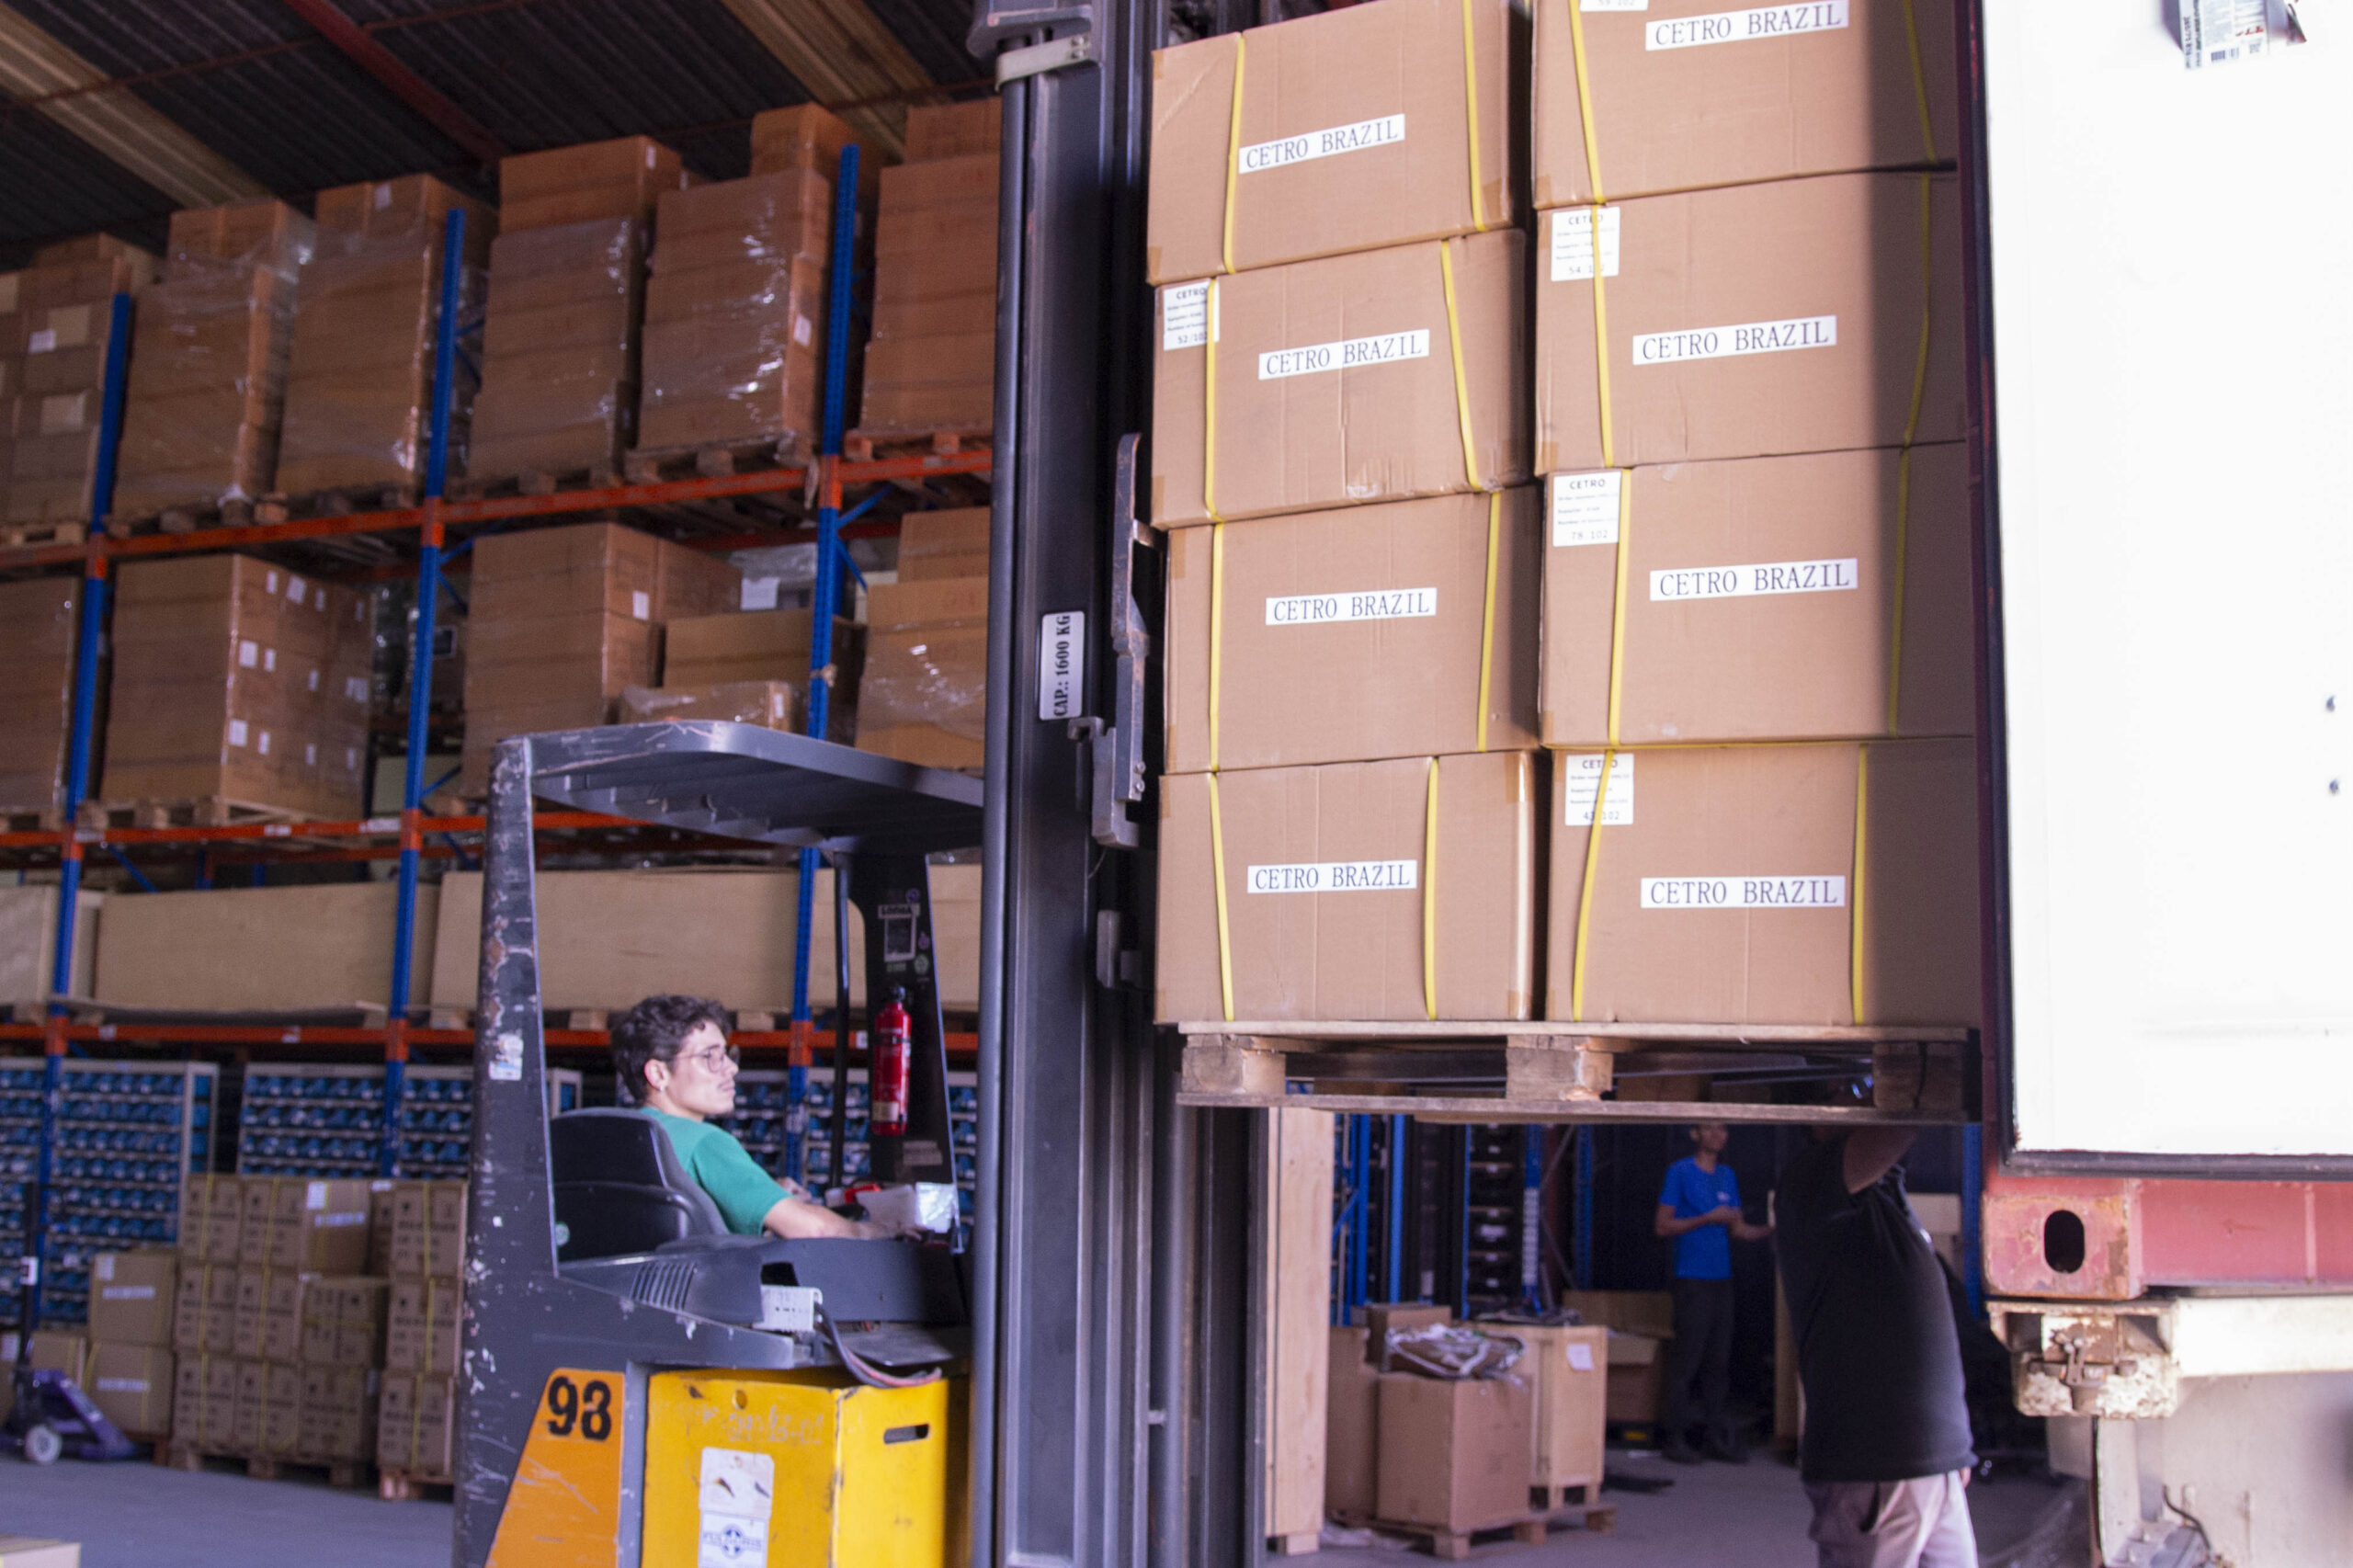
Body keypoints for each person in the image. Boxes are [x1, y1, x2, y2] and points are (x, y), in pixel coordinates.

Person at [1776, 1126, 1977, 1568]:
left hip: (1934, 1464)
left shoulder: (1885, 1197)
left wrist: (1954, 1448)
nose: (1863, 1107)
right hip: (1875, 1466)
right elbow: (1892, 1134)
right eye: (1847, 1094)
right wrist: (1928, 1089)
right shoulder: (1808, 1184)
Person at [609, 994, 883, 1239]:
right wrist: (878, 1232)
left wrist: (769, 1194)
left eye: (727, 1054)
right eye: (710, 1057)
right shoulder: (704, 1142)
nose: (730, 1068)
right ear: (658, 1074)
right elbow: (814, 1229)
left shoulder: (612, 1135)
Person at [1654, 1121, 1773, 1463]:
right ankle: (1674, 1438)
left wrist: (1772, 1230)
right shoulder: (1679, 1172)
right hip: (1692, 1278)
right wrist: (1706, 1218)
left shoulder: (1727, 1176)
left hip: (1722, 1279)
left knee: (1718, 1362)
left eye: (1723, 1130)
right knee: (1687, 1360)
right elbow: (1662, 1226)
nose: (1719, 1135)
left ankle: (1714, 1436)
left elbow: (1739, 1230)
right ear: (1695, 1134)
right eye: (1711, 1129)